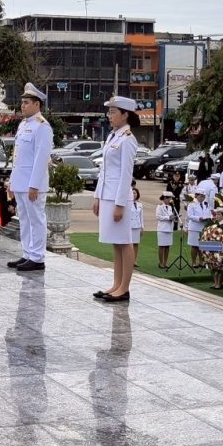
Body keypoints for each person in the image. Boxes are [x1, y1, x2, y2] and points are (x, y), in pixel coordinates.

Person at [92, 95, 139, 302]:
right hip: (107, 195)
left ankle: (124, 288)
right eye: (109, 112)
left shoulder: (128, 139)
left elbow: (126, 175)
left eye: (113, 112)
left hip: (119, 198)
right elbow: (104, 170)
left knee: (124, 241)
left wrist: (120, 204)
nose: (109, 116)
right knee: (116, 242)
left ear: (125, 114)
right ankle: (116, 284)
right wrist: (97, 196)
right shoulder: (113, 136)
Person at [7, 83, 53, 273]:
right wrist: (12, 181)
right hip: (20, 182)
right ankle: (27, 253)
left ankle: (37, 257)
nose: (23, 106)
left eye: (26, 102)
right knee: (24, 220)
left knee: (36, 220)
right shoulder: (24, 125)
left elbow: (41, 159)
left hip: (33, 184)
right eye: (22, 102)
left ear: (37, 104)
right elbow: (17, 157)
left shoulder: (42, 127)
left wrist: (34, 185)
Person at [186, 191, 211, 267]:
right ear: (196, 196)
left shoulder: (205, 204)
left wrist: (209, 217)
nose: (202, 198)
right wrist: (198, 218)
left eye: (203, 196)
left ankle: (201, 261)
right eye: (201, 196)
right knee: (194, 246)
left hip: (203, 227)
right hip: (194, 227)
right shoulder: (192, 204)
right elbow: (190, 216)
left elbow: (208, 213)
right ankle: (193, 262)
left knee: (202, 246)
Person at [156, 191, 175, 268]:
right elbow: (158, 217)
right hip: (162, 228)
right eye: (169, 198)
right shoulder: (159, 206)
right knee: (162, 246)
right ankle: (161, 263)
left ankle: (165, 262)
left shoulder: (170, 207)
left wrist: (173, 218)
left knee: (167, 246)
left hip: (169, 228)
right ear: (165, 198)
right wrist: (168, 218)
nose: (170, 200)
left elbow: (170, 216)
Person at [129, 187, 144, 254]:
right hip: (130, 226)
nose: (134, 194)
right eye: (132, 193)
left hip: (137, 226)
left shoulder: (140, 204)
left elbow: (141, 216)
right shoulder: (128, 204)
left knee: (136, 244)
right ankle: (129, 258)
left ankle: (134, 259)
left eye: (135, 193)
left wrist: (142, 227)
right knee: (130, 244)